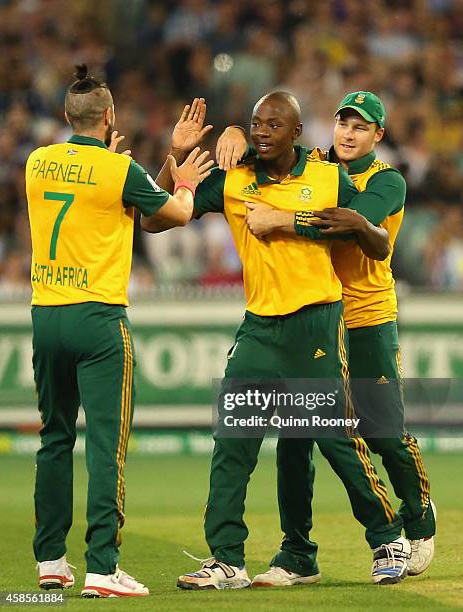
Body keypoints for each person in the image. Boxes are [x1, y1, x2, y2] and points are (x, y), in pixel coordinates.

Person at [142, 91, 410, 589]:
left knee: (334, 438)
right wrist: (176, 156)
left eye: (273, 125)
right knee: (233, 440)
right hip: (260, 326)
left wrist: (367, 231)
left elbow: (373, 237)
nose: (262, 132)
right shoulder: (233, 178)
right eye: (254, 124)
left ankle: (387, 536)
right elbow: (155, 218)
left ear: (297, 133)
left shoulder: (329, 176)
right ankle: (226, 558)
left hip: (315, 323)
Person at [218, 91, 435, 582]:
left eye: (361, 128)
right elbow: (271, 153)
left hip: (366, 318)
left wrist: (283, 219)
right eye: (343, 124)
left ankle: (418, 519)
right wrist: (236, 138)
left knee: (381, 430)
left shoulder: (387, 181)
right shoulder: (314, 168)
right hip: (317, 317)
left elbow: (349, 224)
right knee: (295, 436)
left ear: (378, 135)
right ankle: (296, 553)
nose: (348, 134)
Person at [26, 66, 213, 598]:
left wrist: (118, 163)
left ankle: (51, 563)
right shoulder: (116, 169)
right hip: (99, 318)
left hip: (46, 315)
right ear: (110, 117)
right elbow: (171, 212)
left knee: (54, 439)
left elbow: (108, 197)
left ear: (66, 116)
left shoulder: (37, 163)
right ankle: (103, 569)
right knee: (106, 446)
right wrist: (182, 178)